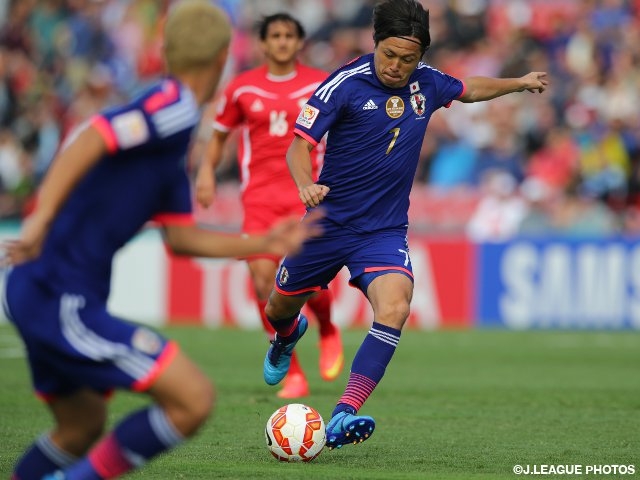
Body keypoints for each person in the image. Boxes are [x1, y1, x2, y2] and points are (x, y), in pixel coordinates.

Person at [1, 2, 320, 479]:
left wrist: (267, 244)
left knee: (81, 426)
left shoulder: (175, 140)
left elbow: (182, 240)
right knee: (193, 400)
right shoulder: (173, 108)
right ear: (220, 62)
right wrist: (39, 219)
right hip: (56, 292)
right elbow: (94, 135)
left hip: (47, 288)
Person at [261, 0, 548, 450]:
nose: (396, 66)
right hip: (327, 223)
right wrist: (305, 184)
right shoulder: (343, 84)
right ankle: (286, 336)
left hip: (383, 231)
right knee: (278, 308)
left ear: (421, 57)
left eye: (408, 59)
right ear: (375, 44)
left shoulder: (427, 83)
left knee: (394, 308)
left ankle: (342, 416)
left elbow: (468, 88)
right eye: (389, 55)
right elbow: (299, 145)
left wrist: (518, 83)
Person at [195, 13, 343, 399]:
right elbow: (218, 136)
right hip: (259, 199)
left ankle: (327, 328)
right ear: (263, 43)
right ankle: (292, 370)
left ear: (299, 42)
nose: (281, 41)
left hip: (305, 194)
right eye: (274, 35)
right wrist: (207, 173)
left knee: (305, 282)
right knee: (263, 281)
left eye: (288, 35)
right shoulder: (241, 88)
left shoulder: (319, 84)